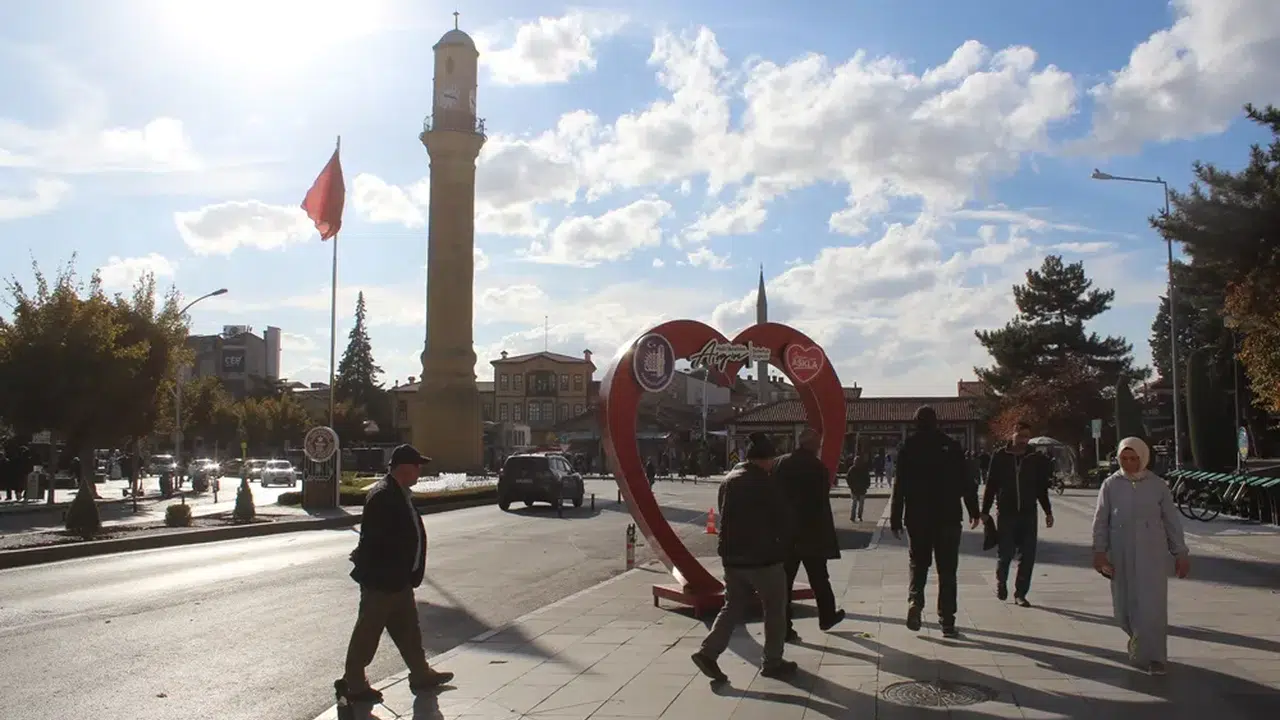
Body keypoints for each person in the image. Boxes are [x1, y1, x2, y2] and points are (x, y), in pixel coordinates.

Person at [340, 444, 453, 705]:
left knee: (408, 631)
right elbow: (373, 540)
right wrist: (376, 572)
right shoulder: (383, 495)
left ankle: (421, 673)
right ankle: (354, 684)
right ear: (403, 467)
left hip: (398, 580)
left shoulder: (399, 493)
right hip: (382, 581)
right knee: (367, 633)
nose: (419, 470)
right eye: (416, 465)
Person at [691, 433, 796, 683]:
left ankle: (708, 652)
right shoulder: (766, 482)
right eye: (771, 459)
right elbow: (781, 519)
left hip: (732, 558)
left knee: (732, 605)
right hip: (764, 559)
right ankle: (772, 661)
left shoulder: (728, 481)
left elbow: (723, 513)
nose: (772, 464)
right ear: (765, 460)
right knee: (774, 608)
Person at [1091, 437, 1190, 675]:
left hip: (1151, 554)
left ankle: (1155, 657)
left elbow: (1171, 521)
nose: (1128, 463)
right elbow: (1101, 521)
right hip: (1121, 552)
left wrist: (1180, 553)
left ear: (1143, 458)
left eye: (1133, 458)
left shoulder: (1157, 485)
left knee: (1152, 605)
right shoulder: (1111, 485)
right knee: (1123, 608)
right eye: (1124, 458)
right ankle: (1136, 639)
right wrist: (1099, 552)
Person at [889, 406, 980, 638]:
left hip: (918, 516)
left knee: (918, 563)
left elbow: (900, 485)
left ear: (916, 422)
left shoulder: (908, 447)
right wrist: (974, 510)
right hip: (948, 515)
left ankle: (915, 601)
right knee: (947, 569)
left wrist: (896, 517)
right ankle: (947, 620)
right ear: (936, 422)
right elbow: (966, 481)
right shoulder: (951, 446)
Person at [775, 428, 846, 642]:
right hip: (811, 533)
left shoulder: (781, 464)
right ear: (814, 445)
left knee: (784, 582)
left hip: (786, 533)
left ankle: (784, 627)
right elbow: (819, 502)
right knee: (819, 578)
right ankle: (827, 616)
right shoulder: (818, 468)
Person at [981, 421, 1055, 607]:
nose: (1024, 440)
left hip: (1029, 512)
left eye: (1026, 436)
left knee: (1028, 555)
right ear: (1011, 434)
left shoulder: (1033, 457)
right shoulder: (1000, 456)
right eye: (1020, 435)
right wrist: (984, 511)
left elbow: (1040, 487)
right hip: (1006, 512)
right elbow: (991, 485)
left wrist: (1048, 511)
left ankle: (1020, 593)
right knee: (1005, 553)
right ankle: (1001, 582)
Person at [846, 450, 872, 522]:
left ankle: (857, 516)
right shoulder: (852, 469)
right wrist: (851, 486)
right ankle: (855, 516)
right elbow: (848, 478)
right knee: (856, 504)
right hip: (856, 489)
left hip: (860, 489)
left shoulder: (861, 469)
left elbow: (867, 478)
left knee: (858, 504)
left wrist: (867, 485)